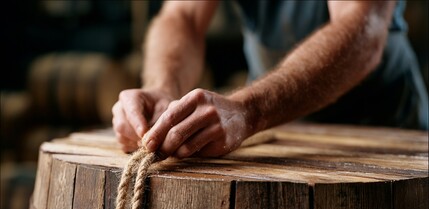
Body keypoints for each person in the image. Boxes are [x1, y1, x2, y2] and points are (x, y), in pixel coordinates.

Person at [112, 1, 428, 157]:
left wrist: (247, 109)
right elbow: (183, 16)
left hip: (381, 129)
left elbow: (364, 26)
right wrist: (164, 87)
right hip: (273, 132)